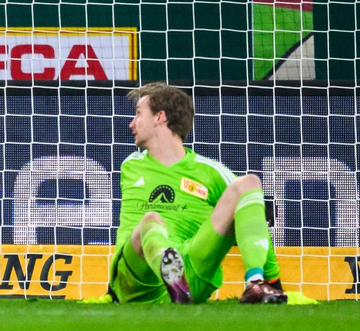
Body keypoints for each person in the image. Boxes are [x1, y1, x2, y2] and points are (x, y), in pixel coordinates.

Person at [106, 83, 286, 304]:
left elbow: (254, 215)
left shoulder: (210, 172)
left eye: (138, 114)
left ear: (159, 117)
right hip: (137, 281)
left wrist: (274, 282)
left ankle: (256, 284)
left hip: (192, 274)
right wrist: (111, 291)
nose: (131, 123)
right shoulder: (130, 166)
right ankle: (169, 269)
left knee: (248, 184)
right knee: (150, 221)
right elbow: (126, 228)